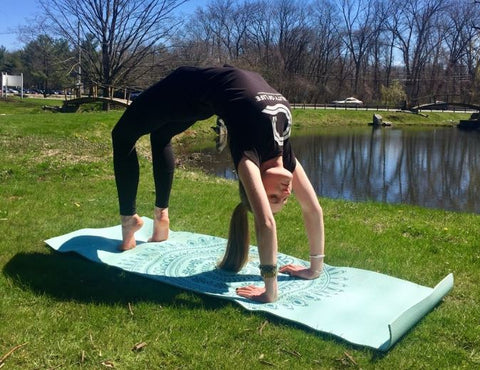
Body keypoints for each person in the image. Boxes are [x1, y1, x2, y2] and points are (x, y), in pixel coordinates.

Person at [112, 65, 325, 303]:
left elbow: (265, 222)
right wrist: (314, 269)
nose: (286, 192)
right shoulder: (284, 156)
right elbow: (312, 208)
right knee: (160, 136)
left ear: (253, 180)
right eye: (282, 198)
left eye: (273, 197)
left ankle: (129, 220)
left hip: (185, 91)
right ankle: (161, 221)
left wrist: (269, 290)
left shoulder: (248, 156)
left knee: (121, 135)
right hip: (199, 95)